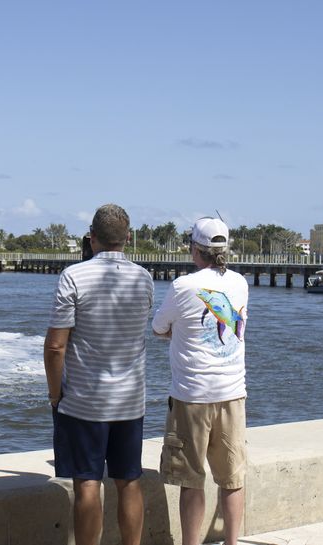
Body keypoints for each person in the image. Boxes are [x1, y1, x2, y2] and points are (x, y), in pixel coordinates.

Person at [44, 203, 153, 545]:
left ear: (91, 237)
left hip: (85, 401)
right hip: (130, 401)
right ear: (129, 238)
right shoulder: (144, 278)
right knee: (129, 480)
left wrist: (54, 392)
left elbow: (56, 347)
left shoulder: (74, 276)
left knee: (88, 482)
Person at [151, 217, 249, 545]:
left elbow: (158, 327)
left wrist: (178, 332)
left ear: (196, 250)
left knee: (191, 481)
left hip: (192, 395)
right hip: (233, 393)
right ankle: (232, 541)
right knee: (232, 479)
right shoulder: (241, 284)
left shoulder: (183, 286)